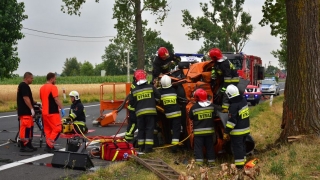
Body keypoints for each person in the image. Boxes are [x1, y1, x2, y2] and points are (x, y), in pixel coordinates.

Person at [130, 69, 161, 153]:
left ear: (136, 78)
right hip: (151, 112)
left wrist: (138, 105)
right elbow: (158, 96)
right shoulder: (151, 87)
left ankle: (141, 147)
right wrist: (154, 102)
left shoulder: (134, 90)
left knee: (141, 129)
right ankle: (148, 148)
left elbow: (131, 103)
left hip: (139, 113)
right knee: (149, 129)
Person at [223, 84, 250, 170]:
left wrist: (226, 132)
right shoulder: (243, 100)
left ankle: (239, 166)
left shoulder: (234, 106)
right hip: (246, 129)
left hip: (238, 131)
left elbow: (232, 121)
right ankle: (244, 161)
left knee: (237, 148)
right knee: (242, 145)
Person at [188, 88, 216, 167]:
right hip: (209, 132)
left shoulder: (194, 108)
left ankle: (200, 165)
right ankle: (212, 164)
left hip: (198, 133)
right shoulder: (212, 106)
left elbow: (190, 117)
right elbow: (215, 114)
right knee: (210, 147)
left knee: (198, 148)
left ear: (196, 97)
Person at [40, 72, 65, 153]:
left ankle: (49, 146)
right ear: (51, 79)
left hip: (44, 113)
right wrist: (62, 108)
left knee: (48, 130)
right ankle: (49, 145)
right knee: (57, 128)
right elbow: (56, 99)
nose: (55, 80)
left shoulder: (42, 88)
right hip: (52, 112)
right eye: (55, 78)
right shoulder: (53, 87)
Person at [208, 48, 239, 112]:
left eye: (211, 57)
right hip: (225, 80)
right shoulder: (217, 61)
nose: (211, 58)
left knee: (225, 93)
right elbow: (214, 67)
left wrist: (223, 89)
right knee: (217, 93)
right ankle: (218, 106)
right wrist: (213, 75)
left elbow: (228, 78)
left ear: (214, 57)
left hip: (232, 80)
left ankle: (225, 109)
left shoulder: (224, 64)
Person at [158, 75, 181, 153]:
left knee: (171, 129)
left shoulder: (160, 92)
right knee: (176, 130)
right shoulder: (174, 90)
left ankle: (170, 142)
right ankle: (174, 147)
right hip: (177, 114)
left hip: (168, 115)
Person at [16, 72, 37, 152]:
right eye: (31, 78)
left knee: (29, 128)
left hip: (27, 112)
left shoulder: (25, 86)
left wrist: (34, 102)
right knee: (25, 128)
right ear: (26, 78)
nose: (32, 79)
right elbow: (25, 98)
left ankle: (28, 143)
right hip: (25, 111)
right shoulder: (24, 85)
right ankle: (24, 144)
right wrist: (31, 108)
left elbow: (29, 98)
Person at [124, 77, 138, 143]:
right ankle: (128, 139)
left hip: (132, 108)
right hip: (134, 109)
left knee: (131, 124)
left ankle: (128, 138)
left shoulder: (134, 84)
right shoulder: (136, 86)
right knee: (134, 124)